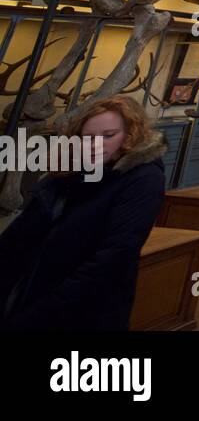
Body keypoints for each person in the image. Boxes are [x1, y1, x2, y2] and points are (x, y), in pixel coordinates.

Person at [0, 95, 167, 330]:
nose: (96, 145)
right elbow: (18, 236)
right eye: (88, 137)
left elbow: (113, 257)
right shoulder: (66, 174)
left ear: (130, 134)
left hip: (78, 315)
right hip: (25, 297)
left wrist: (39, 316)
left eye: (108, 136)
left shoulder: (142, 179)